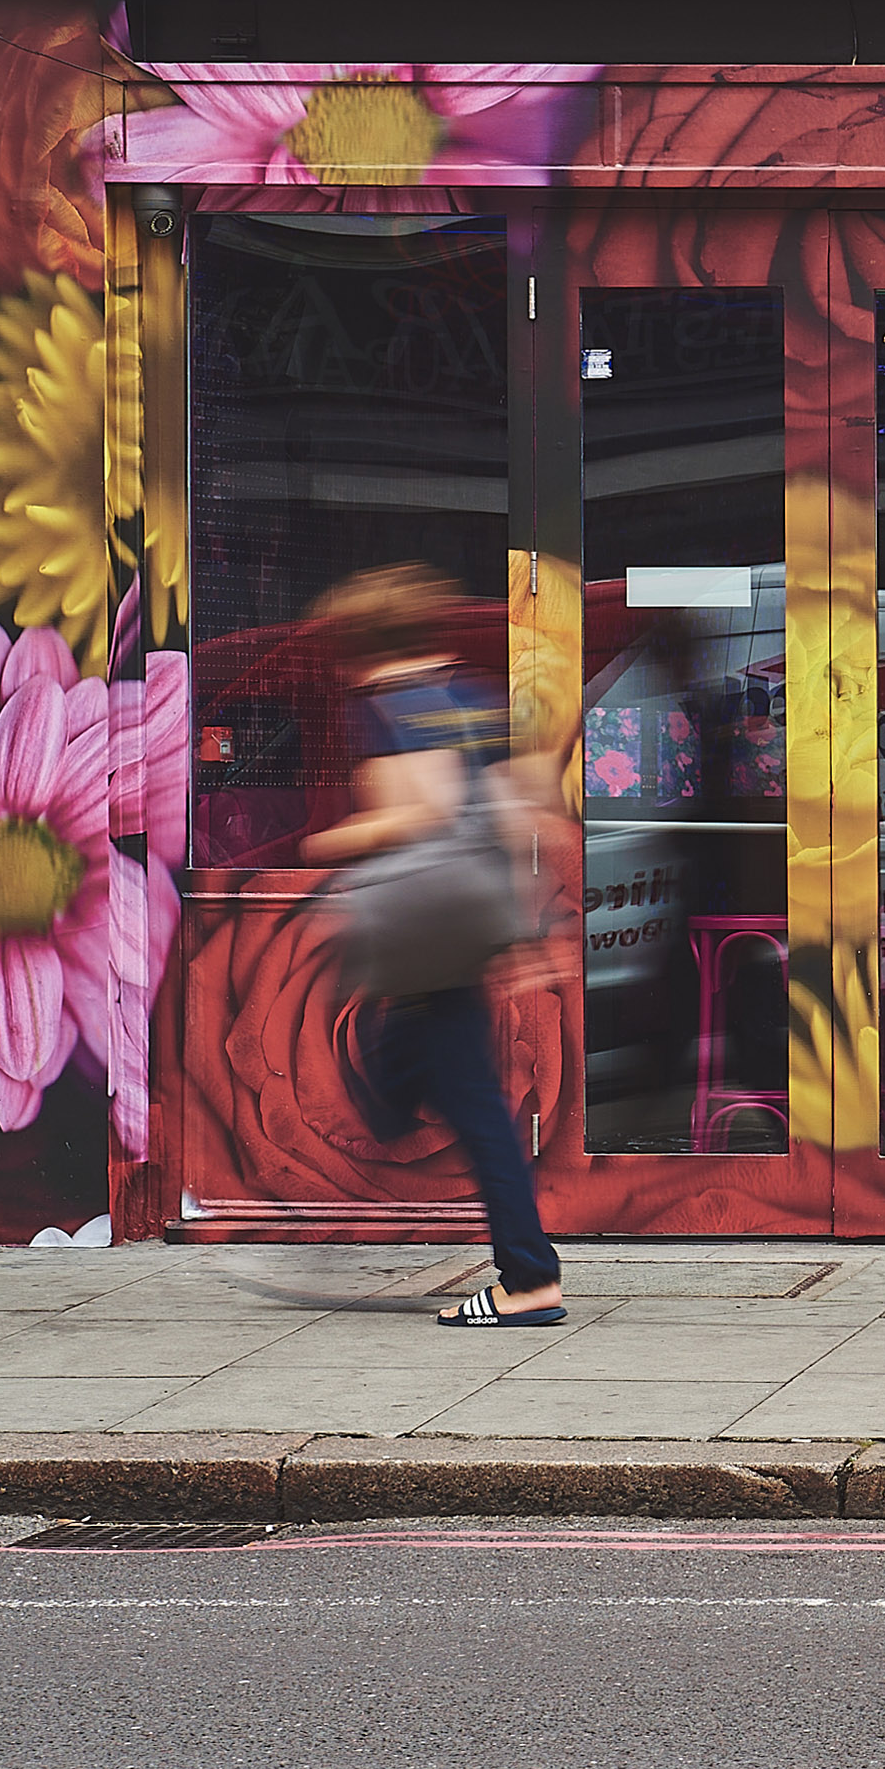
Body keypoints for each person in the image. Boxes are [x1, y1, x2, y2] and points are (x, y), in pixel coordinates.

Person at [302, 564, 566, 1328]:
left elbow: (418, 812)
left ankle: (528, 1276)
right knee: (417, 1062)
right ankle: (393, 1108)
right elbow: (527, 795)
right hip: (464, 921)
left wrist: (324, 841)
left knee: (472, 1104)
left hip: (427, 926)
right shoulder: (472, 696)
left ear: (356, 644)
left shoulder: (389, 707)